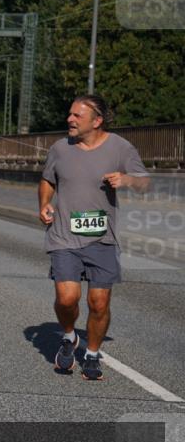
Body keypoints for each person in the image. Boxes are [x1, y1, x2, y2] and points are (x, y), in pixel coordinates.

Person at [40, 95, 149, 381]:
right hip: (64, 236)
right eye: (70, 114)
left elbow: (143, 181)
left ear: (97, 121)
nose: (70, 119)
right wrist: (44, 204)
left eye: (77, 115)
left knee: (99, 302)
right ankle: (68, 336)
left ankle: (91, 353)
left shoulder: (119, 147)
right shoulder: (60, 148)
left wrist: (126, 180)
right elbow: (47, 180)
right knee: (67, 299)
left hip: (102, 239)